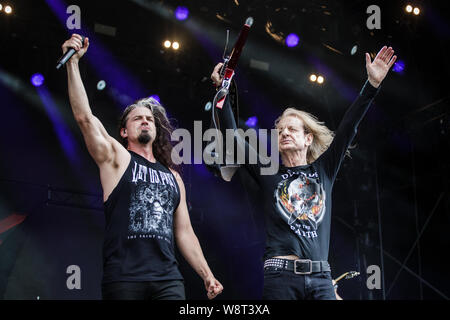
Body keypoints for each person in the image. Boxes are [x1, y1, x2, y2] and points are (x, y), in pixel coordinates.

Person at [210, 46, 396, 300]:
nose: (284, 133)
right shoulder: (268, 172)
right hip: (280, 277)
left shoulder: (324, 169)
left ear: (308, 138)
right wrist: (223, 90)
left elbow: (348, 128)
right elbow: (232, 136)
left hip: (321, 278)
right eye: (280, 130)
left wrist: (371, 85)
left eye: (292, 129)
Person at [63, 34, 223, 300]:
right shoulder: (117, 159)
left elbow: (184, 232)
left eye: (149, 118)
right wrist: (73, 64)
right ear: (124, 131)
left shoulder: (173, 176)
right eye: (137, 118)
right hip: (125, 278)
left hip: (168, 280)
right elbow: (84, 118)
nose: (145, 121)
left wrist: (207, 274)